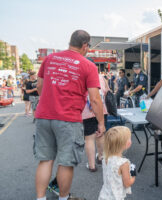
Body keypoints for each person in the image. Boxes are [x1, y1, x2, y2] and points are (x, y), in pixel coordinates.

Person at [34, 30, 106, 200]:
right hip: (68, 119)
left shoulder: (49, 59)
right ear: (85, 45)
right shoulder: (88, 65)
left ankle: (40, 198)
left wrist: (49, 101)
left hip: (44, 116)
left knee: (45, 160)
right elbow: (95, 99)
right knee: (66, 162)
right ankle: (63, 198)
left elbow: (39, 86)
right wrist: (101, 123)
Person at [82, 70, 110, 172]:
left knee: (89, 138)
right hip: (102, 109)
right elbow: (107, 91)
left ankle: (92, 165)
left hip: (86, 111)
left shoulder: (81, 76)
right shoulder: (101, 77)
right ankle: (101, 158)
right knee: (101, 134)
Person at [98, 126, 135, 200]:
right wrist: (133, 173)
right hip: (116, 197)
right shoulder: (123, 163)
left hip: (104, 195)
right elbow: (127, 183)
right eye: (129, 138)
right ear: (125, 144)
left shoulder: (105, 157)